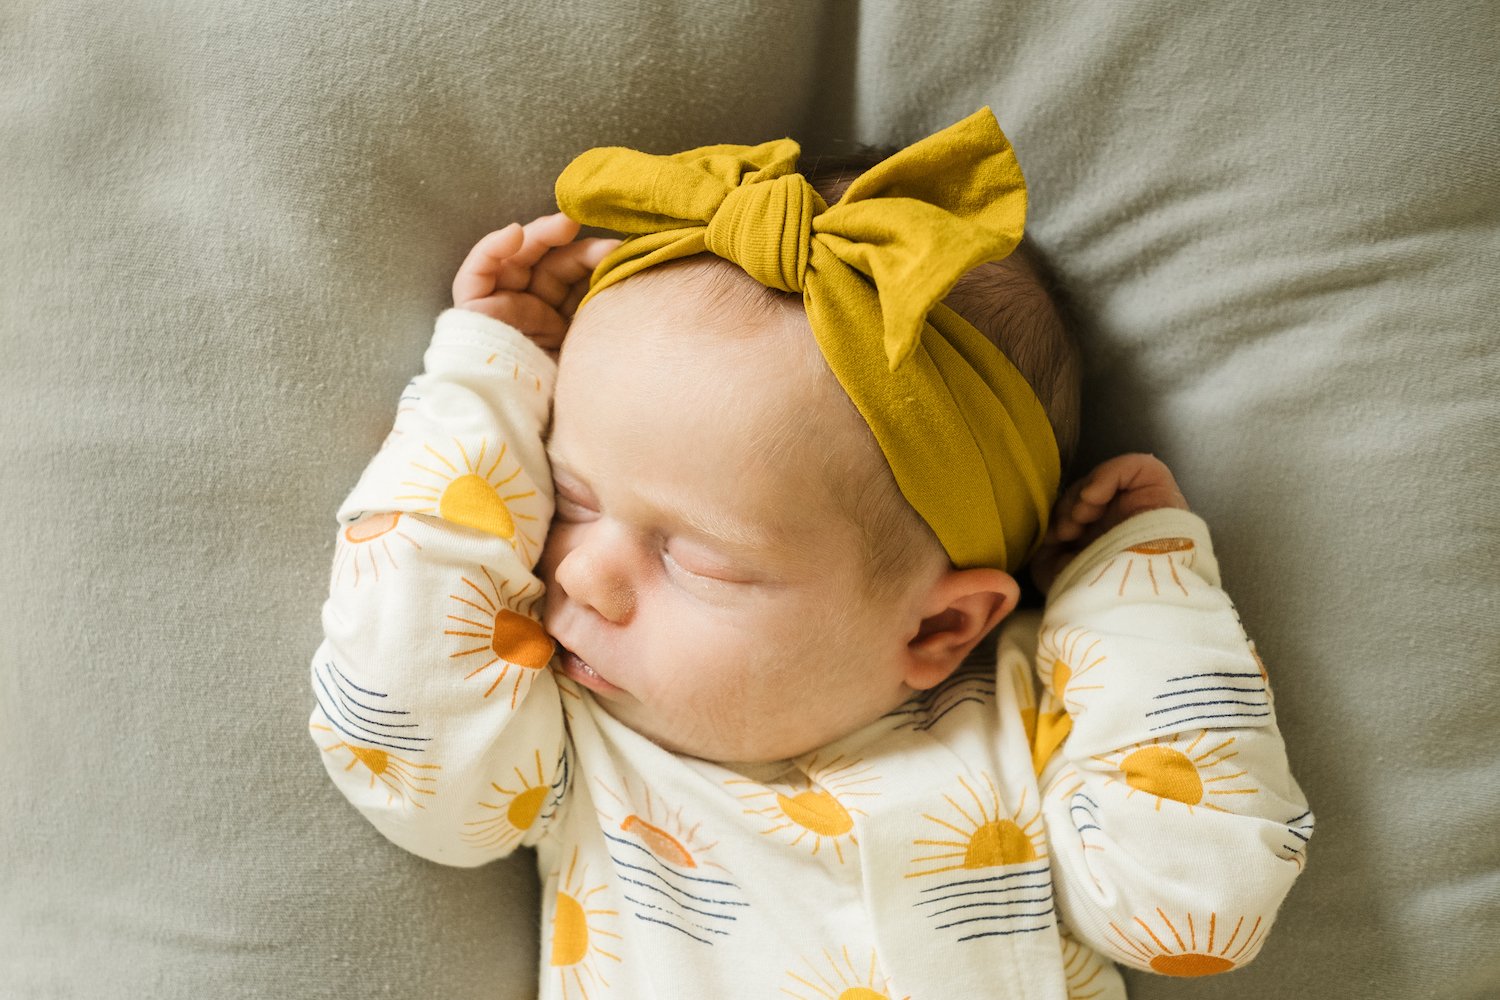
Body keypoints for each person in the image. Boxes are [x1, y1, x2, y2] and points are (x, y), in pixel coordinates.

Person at [309, 108, 1312, 998]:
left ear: (942, 622)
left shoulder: (1032, 708)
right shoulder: (586, 745)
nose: (579, 573)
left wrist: (1136, 597)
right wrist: (485, 383)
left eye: (697, 557)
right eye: (568, 497)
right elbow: (401, 732)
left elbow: (1199, 912)